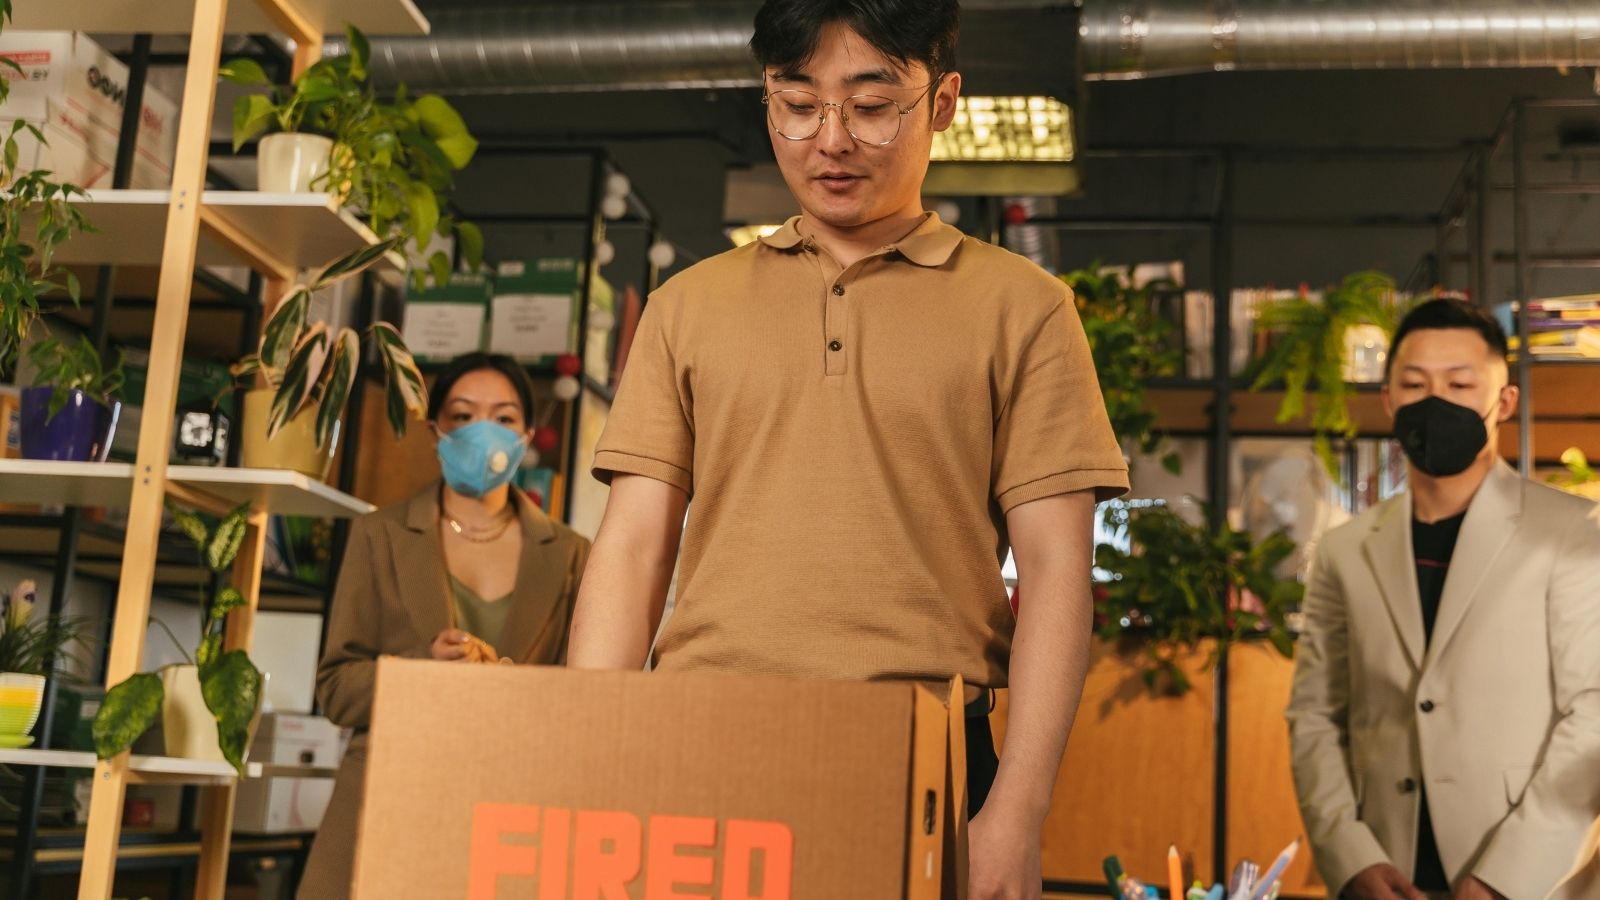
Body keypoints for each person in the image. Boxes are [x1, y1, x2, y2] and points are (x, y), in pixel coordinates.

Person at [565, 2, 1128, 897]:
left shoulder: (1025, 309)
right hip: (702, 744)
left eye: (872, 107)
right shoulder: (688, 306)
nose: (831, 140)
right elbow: (632, 550)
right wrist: (580, 772)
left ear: (942, 102)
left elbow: (1058, 570)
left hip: (924, 758)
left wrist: (1016, 810)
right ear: (767, 98)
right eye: (798, 103)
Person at [1287, 299, 1600, 900]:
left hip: (1530, 878)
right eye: (1414, 383)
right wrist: (1351, 858)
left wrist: (1504, 878)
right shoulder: (1344, 550)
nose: (1435, 401)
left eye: (1460, 383)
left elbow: (1592, 716)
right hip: (1388, 871)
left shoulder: (1573, 532)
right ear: (1388, 400)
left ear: (1502, 402)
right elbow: (1314, 715)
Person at [298, 353, 591, 899]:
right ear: (435, 432)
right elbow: (337, 688)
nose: (483, 431)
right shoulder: (380, 535)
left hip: (516, 812)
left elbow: (586, 702)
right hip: (390, 799)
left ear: (527, 435)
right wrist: (422, 670)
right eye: (462, 415)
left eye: (503, 419)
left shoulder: (572, 556)